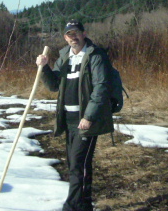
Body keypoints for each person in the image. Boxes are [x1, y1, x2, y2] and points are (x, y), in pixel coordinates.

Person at [36, 20, 113, 211]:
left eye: (76, 33)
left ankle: (71, 207)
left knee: (77, 165)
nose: (73, 37)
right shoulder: (64, 57)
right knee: (77, 164)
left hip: (86, 120)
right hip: (68, 119)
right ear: (65, 37)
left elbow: (101, 88)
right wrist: (45, 68)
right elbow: (55, 86)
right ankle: (85, 204)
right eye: (69, 34)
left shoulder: (95, 56)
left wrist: (88, 117)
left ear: (84, 34)